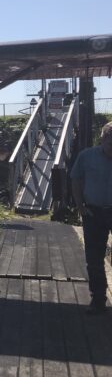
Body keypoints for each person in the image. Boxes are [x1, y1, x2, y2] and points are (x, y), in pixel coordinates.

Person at [71, 121, 112, 314]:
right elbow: (76, 179)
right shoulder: (87, 156)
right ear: (103, 139)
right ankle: (98, 299)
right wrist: (80, 206)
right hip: (94, 212)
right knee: (94, 258)